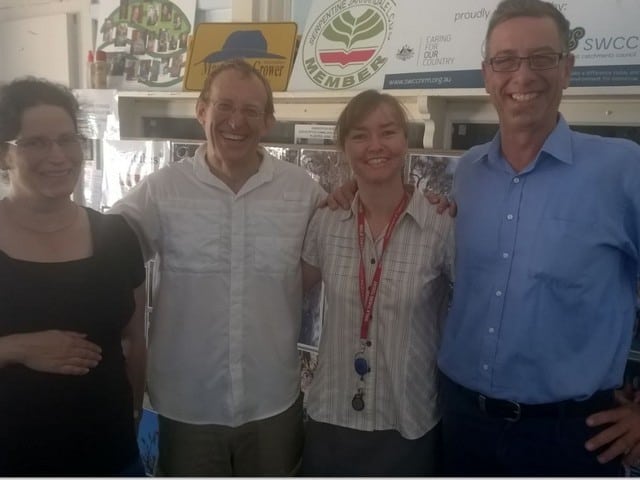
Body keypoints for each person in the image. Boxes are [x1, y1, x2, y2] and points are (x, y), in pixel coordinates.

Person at [434, 0, 640, 475]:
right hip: (462, 425)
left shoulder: (621, 170)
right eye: (505, 60)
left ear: (567, 69)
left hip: (571, 440)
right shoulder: (463, 174)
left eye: (542, 58)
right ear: (487, 74)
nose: (522, 76)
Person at [109, 59, 326, 475]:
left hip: (272, 402)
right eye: (225, 106)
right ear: (201, 110)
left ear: (268, 122)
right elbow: (104, 251)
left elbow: (343, 238)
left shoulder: (302, 193)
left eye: (251, 111)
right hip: (187, 405)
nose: (236, 122)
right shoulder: (160, 191)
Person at [300, 90, 453, 475]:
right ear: (343, 148)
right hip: (330, 419)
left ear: (405, 140)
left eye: (387, 132)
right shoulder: (325, 222)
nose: (375, 146)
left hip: (407, 424)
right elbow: (289, 292)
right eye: (359, 135)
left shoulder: (441, 226)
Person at [0, 77, 146, 475]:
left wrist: (133, 415)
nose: (58, 155)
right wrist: (15, 348)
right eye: (34, 143)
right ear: (3, 155)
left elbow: (135, 340)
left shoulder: (116, 235)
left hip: (111, 452)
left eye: (68, 139)